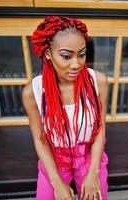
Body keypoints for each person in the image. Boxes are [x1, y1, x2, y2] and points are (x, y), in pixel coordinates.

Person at [22, 16, 109, 200]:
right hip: (56, 158)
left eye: (82, 54)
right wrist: (56, 181)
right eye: (66, 56)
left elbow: (100, 129)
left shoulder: (98, 82)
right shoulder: (33, 92)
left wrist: (93, 172)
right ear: (47, 53)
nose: (76, 64)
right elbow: (40, 140)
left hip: (88, 155)